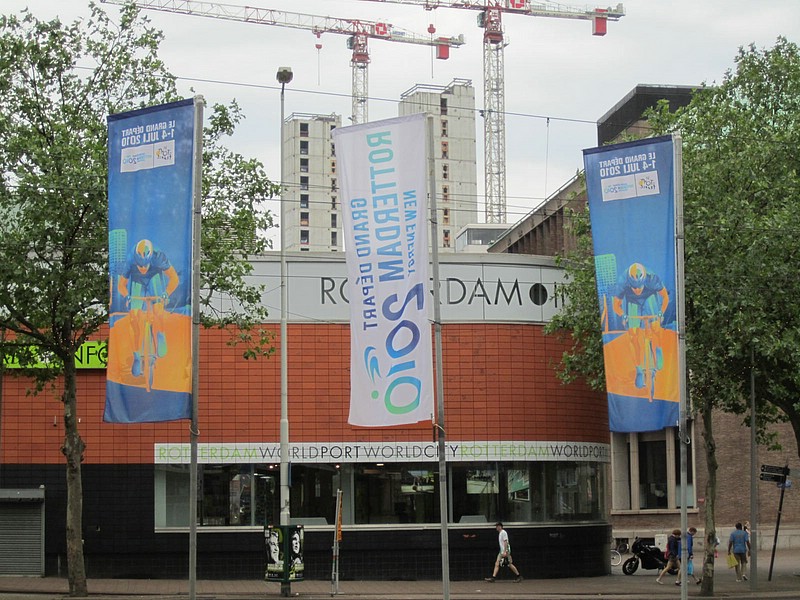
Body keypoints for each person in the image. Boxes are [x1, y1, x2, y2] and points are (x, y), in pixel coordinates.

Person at [117, 239, 179, 377]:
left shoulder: (159, 257)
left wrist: (166, 293)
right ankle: (137, 356)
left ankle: (160, 334)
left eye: (145, 265)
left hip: (154, 278)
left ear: (151, 258)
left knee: (158, 310)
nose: (143, 269)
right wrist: (127, 295)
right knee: (134, 317)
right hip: (137, 281)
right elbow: (121, 285)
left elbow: (174, 278)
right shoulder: (130, 259)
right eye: (140, 266)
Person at [612, 262, 669, 389]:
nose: (637, 290)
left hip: (650, 299)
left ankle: (657, 348)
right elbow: (616, 305)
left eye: (639, 287)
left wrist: (660, 313)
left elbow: (665, 297)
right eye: (634, 287)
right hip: (633, 304)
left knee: (655, 325)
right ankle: (638, 369)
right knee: (633, 336)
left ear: (644, 280)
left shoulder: (652, 278)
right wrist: (623, 315)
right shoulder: (623, 281)